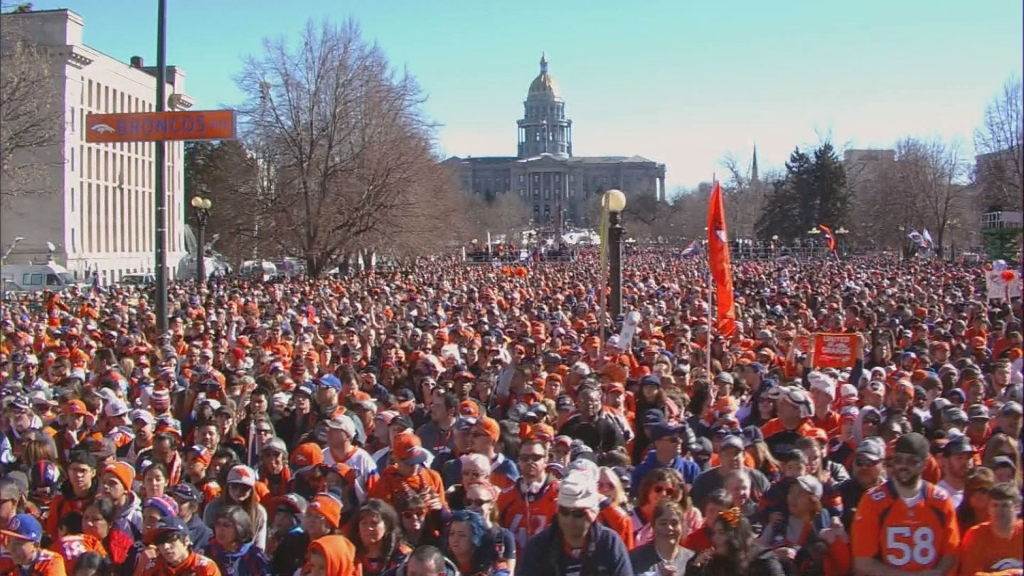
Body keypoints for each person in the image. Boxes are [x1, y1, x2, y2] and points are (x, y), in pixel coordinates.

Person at [852, 432, 960, 576]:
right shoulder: (873, 501)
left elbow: (951, 552)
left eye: (911, 461)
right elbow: (862, 561)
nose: (903, 466)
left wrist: (938, 571)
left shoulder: (941, 501)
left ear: (925, 464)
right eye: (898, 460)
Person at [515, 470, 633, 576]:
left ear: (592, 514)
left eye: (578, 514)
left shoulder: (609, 542)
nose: (569, 520)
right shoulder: (539, 545)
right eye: (564, 512)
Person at [958, 482, 1023, 576]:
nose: (999, 510)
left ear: (1018, 508)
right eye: (995, 505)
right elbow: (970, 573)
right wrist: (1010, 573)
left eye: (1005, 505)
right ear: (988, 508)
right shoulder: (975, 534)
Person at [629, 500, 696, 576]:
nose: (669, 527)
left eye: (674, 523)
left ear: (682, 526)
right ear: (653, 526)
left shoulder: (691, 559)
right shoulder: (635, 559)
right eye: (663, 523)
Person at [0, 513, 67, 576]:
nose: (11, 548)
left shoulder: (50, 561)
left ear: (36, 545)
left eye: (18, 544)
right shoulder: (5, 561)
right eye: (9, 541)